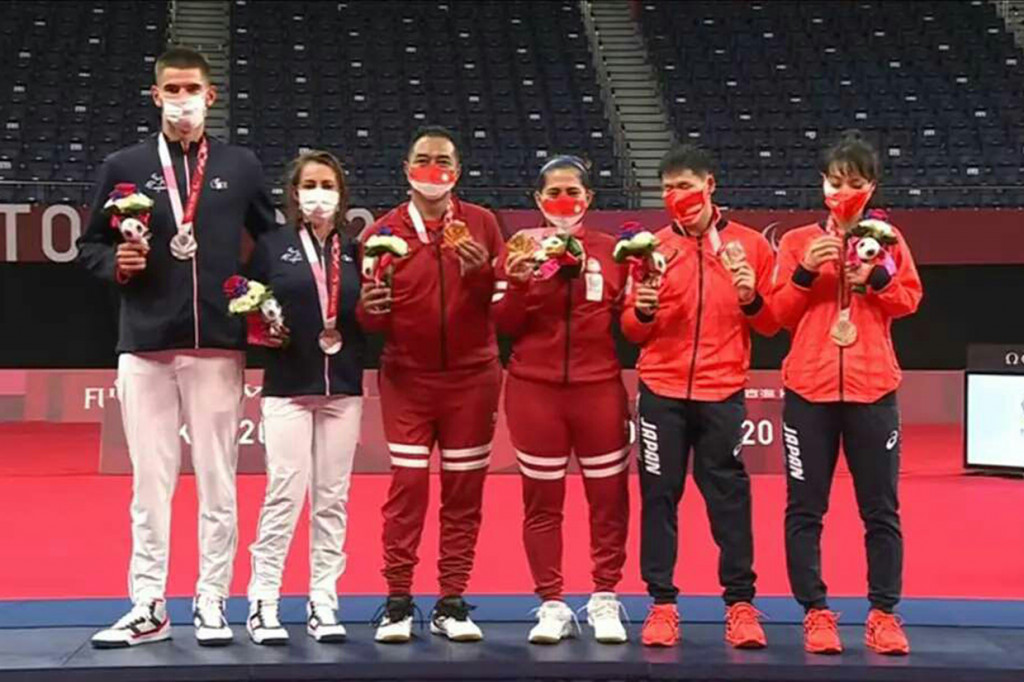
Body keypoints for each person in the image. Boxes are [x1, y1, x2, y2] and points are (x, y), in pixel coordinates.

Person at [78, 47, 277, 648]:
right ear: (155, 94)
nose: (183, 98)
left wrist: (261, 299)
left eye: (193, 88)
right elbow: (89, 246)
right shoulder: (124, 165)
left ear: (210, 96)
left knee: (218, 478)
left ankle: (212, 599)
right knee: (150, 483)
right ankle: (148, 603)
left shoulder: (240, 166)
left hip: (218, 345)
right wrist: (118, 261)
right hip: (144, 345)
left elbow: (271, 243)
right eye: (172, 88)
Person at [770, 130, 921, 656]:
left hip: (872, 389)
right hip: (809, 392)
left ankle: (884, 614)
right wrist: (808, 270)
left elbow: (909, 303)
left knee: (880, 509)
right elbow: (776, 316)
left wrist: (875, 279)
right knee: (805, 508)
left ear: (872, 187)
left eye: (854, 183)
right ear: (822, 185)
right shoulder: (794, 243)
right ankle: (815, 612)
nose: (843, 192)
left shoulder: (890, 240)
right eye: (835, 182)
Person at [621, 145, 779, 649]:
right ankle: (662, 604)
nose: (677, 197)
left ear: (711, 184)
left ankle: (740, 604)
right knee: (659, 497)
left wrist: (751, 294)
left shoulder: (751, 246)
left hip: (722, 391)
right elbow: (630, 330)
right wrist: (643, 311)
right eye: (667, 189)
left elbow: (771, 323)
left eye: (686, 185)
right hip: (661, 390)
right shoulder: (650, 250)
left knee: (728, 498)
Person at [358, 126, 504, 643]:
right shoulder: (381, 231)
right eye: (423, 159)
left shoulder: (483, 224)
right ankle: (398, 600)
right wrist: (368, 310)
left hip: (473, 378)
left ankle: (451, 601)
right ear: (406, 168)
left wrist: (483, 272)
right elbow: (369, 319)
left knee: (463, 491)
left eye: (443, 159)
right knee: (409, 487)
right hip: (408, 380)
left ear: (458, 171)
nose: (433, 168)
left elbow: (503, 307)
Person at [494, 156, 631, 645]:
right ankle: (551, 603)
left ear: (589, 199)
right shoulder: (519, 249)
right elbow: (505, 325)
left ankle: (606, 597)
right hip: (535, 391)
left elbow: (632, 323)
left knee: (608, 501)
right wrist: (516, 279)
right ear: (538, 200)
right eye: (553, 193)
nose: (563, 202)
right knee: (542, 502)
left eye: (572, 192)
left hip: (599, 392)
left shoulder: (612, 251)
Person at [244, 151, 365, 645]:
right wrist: (259, 329)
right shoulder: (271, 247)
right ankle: (263, 599)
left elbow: (369, 314)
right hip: (288, 388)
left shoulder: (357, 251)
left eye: (328, 185)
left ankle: (323, 599)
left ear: (341, 194)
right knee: (285, 494)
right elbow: (246, 306)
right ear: (294, 195)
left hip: (345, 389)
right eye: (310, 185)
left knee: (333, 500)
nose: (320, 194)